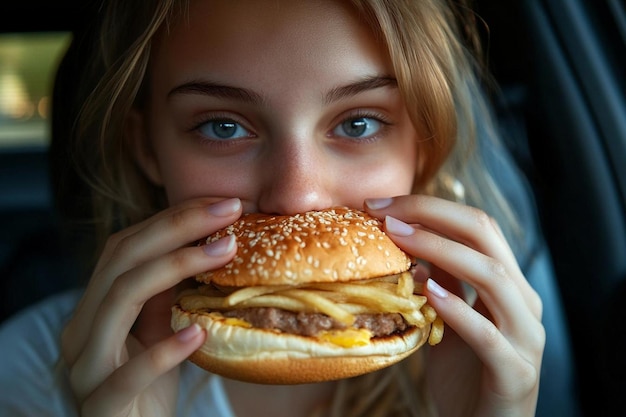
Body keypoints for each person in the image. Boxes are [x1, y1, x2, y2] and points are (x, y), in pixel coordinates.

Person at [0, 0, 558, 415]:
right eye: (223, 127)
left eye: (358, 123)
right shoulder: (24, 369)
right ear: (149, 150)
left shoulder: (485, 366)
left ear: (424, 144)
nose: (297, 196)